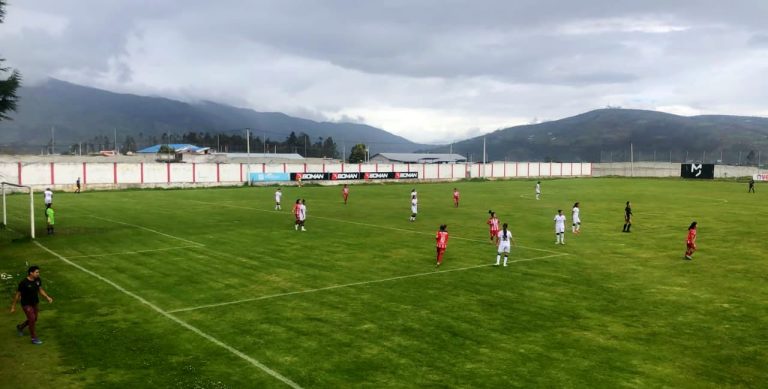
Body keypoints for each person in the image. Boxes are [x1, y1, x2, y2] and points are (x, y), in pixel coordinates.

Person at [10, 266, 54, 345]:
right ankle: (34, 338)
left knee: (34, 319)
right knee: (32, 319)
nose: (38, 274)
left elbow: (40, 290)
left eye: (38, 272)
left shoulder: (38, 280)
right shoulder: (23, 283)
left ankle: (20, 327)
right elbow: (18, 294)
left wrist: (47, 297)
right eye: (37, 272)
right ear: (31, 273)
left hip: (35, 303)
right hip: (26, 304)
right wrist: (13, 306)